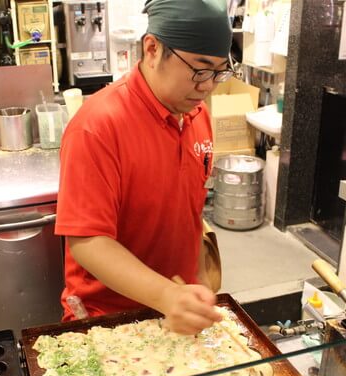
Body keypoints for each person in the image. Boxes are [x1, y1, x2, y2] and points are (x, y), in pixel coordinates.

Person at [55, 0, 234, 335]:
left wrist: (196, 286)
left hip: (175, 314)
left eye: (219, 72)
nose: (208, 86)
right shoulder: (98, 126)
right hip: (106, 320)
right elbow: (88, 241)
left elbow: (189, 211)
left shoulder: (197, 116)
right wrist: (167, 295)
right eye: (199, 69)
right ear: (152, 48)